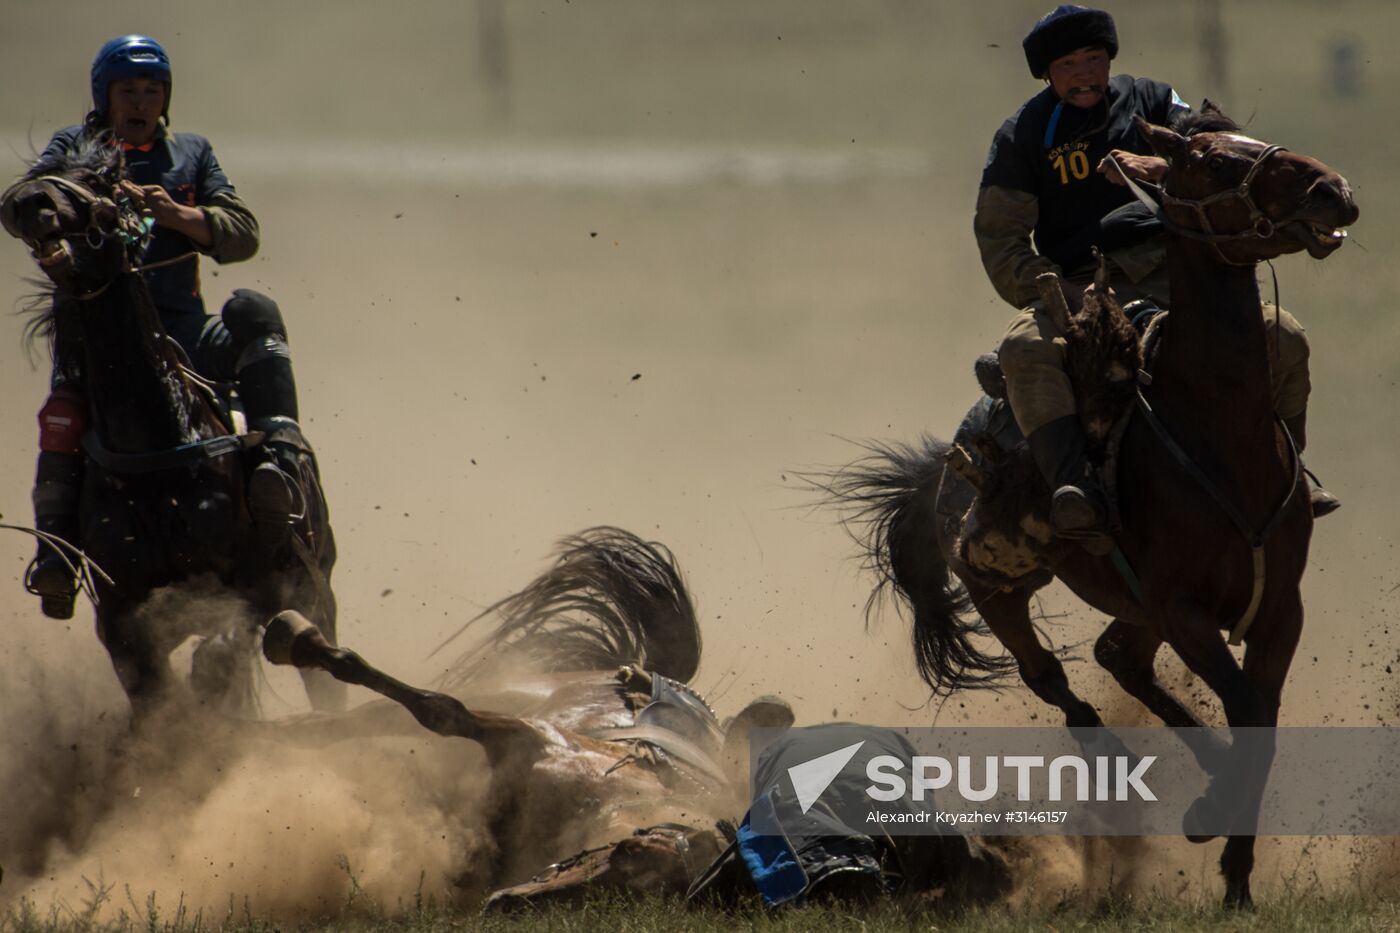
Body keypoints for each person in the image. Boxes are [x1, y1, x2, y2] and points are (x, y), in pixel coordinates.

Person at [975, 4, 1336, 554]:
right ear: (1046, 74)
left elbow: (1217, 150)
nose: (1084, 73)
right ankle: (1078, 487)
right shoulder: (1022, 136)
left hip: (1181, 272)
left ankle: (1288, 476)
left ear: (1109, 59)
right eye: (1068, 64)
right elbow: (1001, 242)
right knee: (1024, 348)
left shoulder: (1156, 102)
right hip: (1085, 286)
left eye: (1093, 58)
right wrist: (1058, 292)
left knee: (1283, 335)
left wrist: (1162, 167)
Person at [20, 35, 313, 619]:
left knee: (256, 312)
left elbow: (244, 231)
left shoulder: (192, 154)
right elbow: (25, 200)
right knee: (64, 413)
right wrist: (51, 221)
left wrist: (180, 215)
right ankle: (56, 555)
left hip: (183, 331)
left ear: (165, 96)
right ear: (104, 96)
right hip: (97, 333)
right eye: (127, 90)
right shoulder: (72, 150)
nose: (140, 101)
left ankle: (280, 463)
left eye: (152, 90)